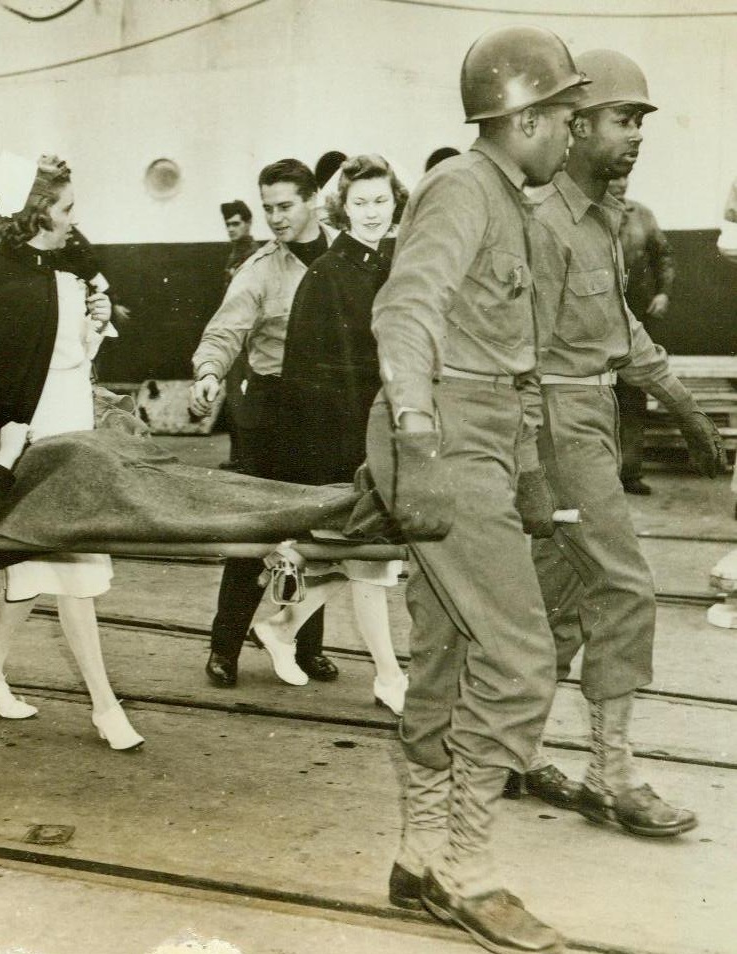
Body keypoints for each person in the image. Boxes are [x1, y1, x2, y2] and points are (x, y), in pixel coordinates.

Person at [366, 27, 587, 953]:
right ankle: (468, 870)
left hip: (480, 434)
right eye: (567, 117)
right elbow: (405, 310)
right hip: (442, 435)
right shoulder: (461, 188)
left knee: (451, 650)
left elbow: (514, 359)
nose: (573, 134)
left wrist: (530, 471)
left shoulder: (517, 206)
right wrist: (418, 443)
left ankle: (418, 859)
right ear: (526, 117)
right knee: (524, 655)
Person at [512, 50, 724, 839]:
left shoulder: (602, 220)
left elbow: (623, 335)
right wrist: (531, 467)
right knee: (625, 590)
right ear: (575, 125)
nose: (636, 135)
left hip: (591, 420)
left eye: (640, 121)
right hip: (564, 430)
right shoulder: (541, 226)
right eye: (622, 119)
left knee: (555, 602)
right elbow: (519, 359)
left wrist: (683, 406)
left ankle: (512, 748)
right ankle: (611, 775)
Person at [0, 153, 144, 751]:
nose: (73, 219)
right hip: (36, 432)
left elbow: (71, 355)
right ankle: (105, 706)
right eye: (66, 208)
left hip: (71, 419)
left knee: (37, 569)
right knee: (73, 565)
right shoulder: (2, 279)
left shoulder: (60, 269)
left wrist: (97, 322)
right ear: (38, 212)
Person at [267, 154, 410, 716]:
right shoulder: (326, 276)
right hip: (345, 440)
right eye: (360, 203)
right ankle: (389, 675)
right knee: (372, 560)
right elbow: (306, 377)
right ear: (341, 208)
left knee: (370, 559)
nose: (373, 213)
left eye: (380, 200)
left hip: (392, 432)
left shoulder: (397, 263)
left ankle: (283, 624)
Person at [189, 159, 338, 690]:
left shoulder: (347, 256)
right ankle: (225, 647)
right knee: (256, 534)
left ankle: (306, 645)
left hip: (332, 411)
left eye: (285, 206)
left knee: (319, 532)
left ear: (313, 198)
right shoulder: (259, 270)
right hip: (272, 414)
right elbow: (223, 332)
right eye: (267, 207)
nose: (274, 217)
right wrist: (209, 373)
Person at [606, 175, 675, 495]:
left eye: (625, 178)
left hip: (637, 318)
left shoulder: (643, 216)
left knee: (633, 396)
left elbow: (664, 257)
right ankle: (601, 475)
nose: (621, 183)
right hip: (598, 321)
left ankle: (630, 472)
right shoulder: (589, 212)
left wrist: (663, 293)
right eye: (614, 178)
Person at [218, 199, 258, 472]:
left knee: (243, 397)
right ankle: (238, 457)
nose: (231, 229)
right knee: (233, 396)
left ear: (247, 223)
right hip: (234, 335)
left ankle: (247, 458)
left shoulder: (253, 255)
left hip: (247, 338)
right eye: (228, 224)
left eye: (235, 224)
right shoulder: (235, 253)